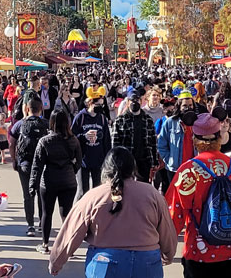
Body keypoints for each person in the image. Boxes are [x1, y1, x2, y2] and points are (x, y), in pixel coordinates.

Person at [49, 147, 177, 277]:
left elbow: (72, 232)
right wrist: (168, 255)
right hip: (147, 262)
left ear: (105, 169)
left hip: (105, 263)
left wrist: (56, 262)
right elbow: (167, 229)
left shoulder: (93, 196)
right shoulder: (152, 194)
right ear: (133, 169)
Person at [165, 110, 231, 278]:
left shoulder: (188, 171)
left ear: (195, 139)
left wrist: (166, 249)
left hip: (199, 252)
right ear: (219, 137)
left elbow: (173, 215)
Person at [30, 110, 82, 254]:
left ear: (51, 123)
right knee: (66, 214)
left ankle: (45, 244)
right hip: (68, 180)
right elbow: (79, 160)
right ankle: (68, 246)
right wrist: (71, 169)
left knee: (47, 213)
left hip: (49, 180)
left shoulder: (45, 141)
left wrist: (32, 185)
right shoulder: (73, 140)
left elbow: (37, 165)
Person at [8, 97, 49, 237]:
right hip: (42, 165)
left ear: (27, 109)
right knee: (41, 194)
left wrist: (14, 160)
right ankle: (41, 223)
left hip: (24, 163)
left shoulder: (20, 124)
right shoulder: (46, 123)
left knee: (27, 195)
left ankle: (30, 224)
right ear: (41, 109)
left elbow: (11, 143)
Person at [157, 90, 208, 183]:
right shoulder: (170, 122)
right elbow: (161, 144)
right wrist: (169, 159)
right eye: (184, 105)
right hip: (175, 169)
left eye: (190, 105)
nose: (188, 108)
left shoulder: (199, 123)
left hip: (194, 167)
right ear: (179, 106)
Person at [111, 91, 159, 183]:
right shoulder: (120, 120)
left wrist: (155, 161)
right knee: (126, 188)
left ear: (141, 101)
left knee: (143, 188)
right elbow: (115, 145)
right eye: (132, 100)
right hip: (126, 161)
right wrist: (116, 162)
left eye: (137, 100)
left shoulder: (147, 119)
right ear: (128, 102)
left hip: (144, 160)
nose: (134, 102)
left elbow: (153, 142)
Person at [71, 95, 112, 199]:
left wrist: (107, 159)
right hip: (83, 159)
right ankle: (78, 212)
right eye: (97, 104)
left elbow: (107, 140)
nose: (100, 107)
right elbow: (72, 136)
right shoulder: (81, 117)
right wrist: (84, 136)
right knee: (82, 191)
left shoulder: (102, 118)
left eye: (101, 105)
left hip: (98, 159)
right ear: (90, 103)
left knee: (97, 190)